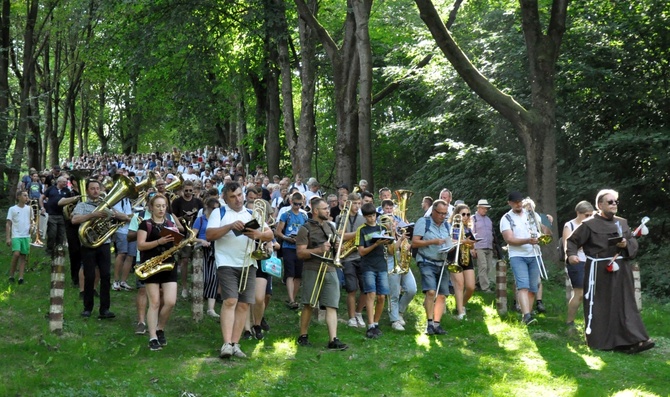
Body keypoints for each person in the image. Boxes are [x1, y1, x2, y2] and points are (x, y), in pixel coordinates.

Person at [566, 189, 654, 353]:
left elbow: (632, 243)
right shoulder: (589, 224)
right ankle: (601, 342)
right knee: (601, 306)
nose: (614, 205)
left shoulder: (622, 223)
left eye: (616, 202)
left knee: (625, 305)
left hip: (621, 270)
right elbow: (572, 241)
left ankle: (635, 340)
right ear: (600, 205)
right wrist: (571, 256)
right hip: (598, 271)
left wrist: (625, 245)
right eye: (610, 202)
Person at [206, 182, 274, 359]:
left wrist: (258, 235)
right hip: (226, 262)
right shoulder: (219, 212)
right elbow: (209, 235)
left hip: (249, 262)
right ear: (225, 199)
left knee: (244, 304)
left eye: (239, 195)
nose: (237, 199)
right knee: (230, 301)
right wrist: (229, 227)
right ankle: (226, 343)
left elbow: (270, 234)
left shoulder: (251, 213)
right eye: (232, 197)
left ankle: (235, 344)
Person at [295, 198, 348, 350]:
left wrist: (339, 247)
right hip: (312, 268)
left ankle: (333, 339)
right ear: (316, 211)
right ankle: (303, 335)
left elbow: (337, 249)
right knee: (309, 303)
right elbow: (300, 253)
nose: (328, 211)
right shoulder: (305, 229)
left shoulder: (330, 227)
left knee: (332, 305)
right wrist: (319, 249)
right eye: (325, 208)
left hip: (330, 267)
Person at [137, 194, 181, 351]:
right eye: (158, 206)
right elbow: (140, 245)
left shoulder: (170, 223)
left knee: (170, 301)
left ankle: (160, 328)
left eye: (164, 206)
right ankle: (153, 337)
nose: (161, 209)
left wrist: (177, 240)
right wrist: (158, 241)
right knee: (154, 302)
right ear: (151, 208)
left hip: (168, 264)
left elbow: (176, 245)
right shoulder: (145, 225)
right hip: (151, 266)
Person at [71, 179, 119, 319]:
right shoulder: (82, 205)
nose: (96, 191)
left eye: (98, 188)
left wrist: (114, 214)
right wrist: (92, 215)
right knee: (90, 276)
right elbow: (74, 220)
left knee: (105, 276)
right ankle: (88, 308)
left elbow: (116, 218)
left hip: (104, 243)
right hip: (88, 245)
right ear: (87, 191)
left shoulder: (106, 205)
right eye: (92, 189)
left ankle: (104, 309)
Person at [411, 199, 452, 335]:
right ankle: (429, 324)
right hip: (426, 260)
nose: (442, 216)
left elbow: (450, 241)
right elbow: (415, 243)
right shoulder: (424, 222)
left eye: (445, 214)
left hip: (442, 262)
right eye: (440, 213)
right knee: (430, 292)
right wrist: (433, 242)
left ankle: (437, 324)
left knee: (442, 295)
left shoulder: (447, 225)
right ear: (433, 211)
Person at [500, 191, 540, 325]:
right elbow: (509, 239)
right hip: (518, 255)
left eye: (519, 201)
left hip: (534, 254)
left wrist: (547, 222)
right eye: (515, 202)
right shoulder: (506, 218)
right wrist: (528, 240)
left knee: (534, 288)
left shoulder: (531, 214)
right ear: (509, 203)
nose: (518, 204)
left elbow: (542, 230)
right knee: (523, 286)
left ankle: (528, 313)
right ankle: (526, 316)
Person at [357, 203, 393, 338]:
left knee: (382, 296)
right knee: (371, 294)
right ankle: (370, 325)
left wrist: (398, 239)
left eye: (373, 216)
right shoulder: (362, 230)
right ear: (365, 217)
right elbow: (361, 252)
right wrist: (375, 244)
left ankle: (376, 323)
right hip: (368, 266)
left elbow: (391, 250)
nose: (372, 219)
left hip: (382, 265)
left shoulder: (383, 228)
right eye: (369, 217)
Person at [380, 199, 417, 331]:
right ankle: (394, 320)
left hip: (403, 265)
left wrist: (407, 246)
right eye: (388, 222)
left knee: (412, 289)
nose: (392, 224)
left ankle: (400, 312)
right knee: (394, 294)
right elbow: (391, 250)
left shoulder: (400, 233)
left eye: (393, 222)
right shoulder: (384, 235)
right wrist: (401, 239)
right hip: (391, 266)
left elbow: (406, 248)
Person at [335, 193, 367, 328]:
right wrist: (358, 233)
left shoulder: (363, 219)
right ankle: (351, 317)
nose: (357, 206)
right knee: (351, 289)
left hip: (362, 256)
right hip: (348, 257)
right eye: (355, 203)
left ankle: (359, 313)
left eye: (359, 204)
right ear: (348, 204)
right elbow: (340, 234)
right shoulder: (340, 217)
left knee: (366, 288)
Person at [563, 201, 594, 331]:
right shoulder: (569, 225)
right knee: (579, 293)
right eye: (586, 215)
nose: (589, 218)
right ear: (578, 213)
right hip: (576, 261)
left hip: (592, 261)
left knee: (593, 293)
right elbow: (568, 245)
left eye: (591, 215)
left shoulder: (593, 225)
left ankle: (591, 322)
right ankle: (570, 322)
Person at [170, 179, 204, 299]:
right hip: (183, 233)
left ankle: (194, 286)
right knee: (184, 261)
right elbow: (172, 217)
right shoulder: (177, 202)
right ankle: (184, 287)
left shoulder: (198, 202)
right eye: (186, 191)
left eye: (191, 190)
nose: (188, 193)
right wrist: (182, 218)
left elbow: (202, 215)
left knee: (196, 262)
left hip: (196, 234)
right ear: (182, 190)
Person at [275, 192, 309, 309]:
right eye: (295, 204)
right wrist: (286, 238)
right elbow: (278, 231)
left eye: (300, 204)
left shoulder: (304, 216)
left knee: (298, 274)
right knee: (290, 272)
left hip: (300, 246)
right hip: (288, 246)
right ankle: (291, 298)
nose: (298, 206)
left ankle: (293, 299)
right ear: (291, 202)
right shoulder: (286, 215)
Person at [192, 197, 221, 318]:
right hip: (201, 250)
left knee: (214, 278)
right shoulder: (200, 220)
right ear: (207, 208)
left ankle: (211, 309)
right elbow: (192, 237)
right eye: (213, 208)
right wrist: (202, 240)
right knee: (201, 278)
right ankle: (198, 308)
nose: (215, 211)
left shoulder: (220, 220)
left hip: (215, 249)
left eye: (217, 209)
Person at [448, 204, 477, 320]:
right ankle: (460, 312)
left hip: (466, 258)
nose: (465, 216)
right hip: (454, 256)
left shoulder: (468, 229)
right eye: (463, 214)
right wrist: (463, 241)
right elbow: (451, 241)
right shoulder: (452, 226)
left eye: (468, 214)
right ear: (457, 215)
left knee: (470, 286)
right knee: (459, 285)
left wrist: (472, 246)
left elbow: (471, 244)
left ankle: (460, 305)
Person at [40, 176, 76, 257]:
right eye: (63, 182)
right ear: (58, 182)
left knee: (61, 235)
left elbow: (71, 202)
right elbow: (42, 197)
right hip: (51, 215)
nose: (65, 183)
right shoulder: (51, 188)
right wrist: (42, 207)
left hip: (62, 216)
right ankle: (49, 250)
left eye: (66, 182)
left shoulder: (67, 191)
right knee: (52, 233)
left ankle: (59, 250)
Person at [6, 191, 32, 284]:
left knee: (23, 256)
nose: (26, 197)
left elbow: (32, 221)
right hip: (16, 235)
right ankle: (11, 275)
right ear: (18, 197)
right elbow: (8, 223)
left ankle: (21, 277)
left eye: (27, 196)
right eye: (24, 195)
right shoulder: (12, 209)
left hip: (26, 235)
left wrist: (32, 228)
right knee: (16, 254)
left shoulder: (29, 209)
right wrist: (8, 238)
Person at [471, 199, 495, 292]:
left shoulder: (488, 219)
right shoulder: (473, 218)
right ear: (479, 208)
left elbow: (492, 233)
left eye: (487, 208)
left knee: (488, 267)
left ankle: (477, 284)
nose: (486, 210)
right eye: (484, 208)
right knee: (483, 266)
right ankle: (485, 288)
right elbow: (471, 233)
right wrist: (472, 248)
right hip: (479, 246)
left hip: (489, 246)